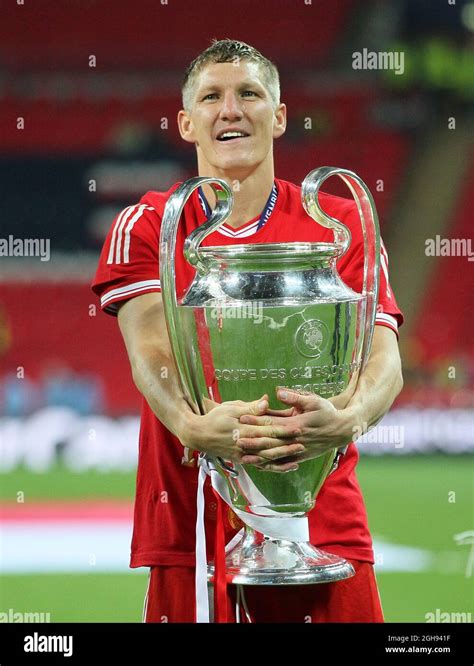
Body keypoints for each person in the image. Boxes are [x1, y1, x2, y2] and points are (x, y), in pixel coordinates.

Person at [92, 39, 403, 623]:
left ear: (279, 116)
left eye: (249, 94)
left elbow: (383, 358)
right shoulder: (150, 225)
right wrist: (191, 424)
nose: (229, 110)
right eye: (211, 97)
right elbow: (152, 350)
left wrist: (349, 417)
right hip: (192, 520)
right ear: (187, 124)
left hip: (324, 522)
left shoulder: (343, 223)